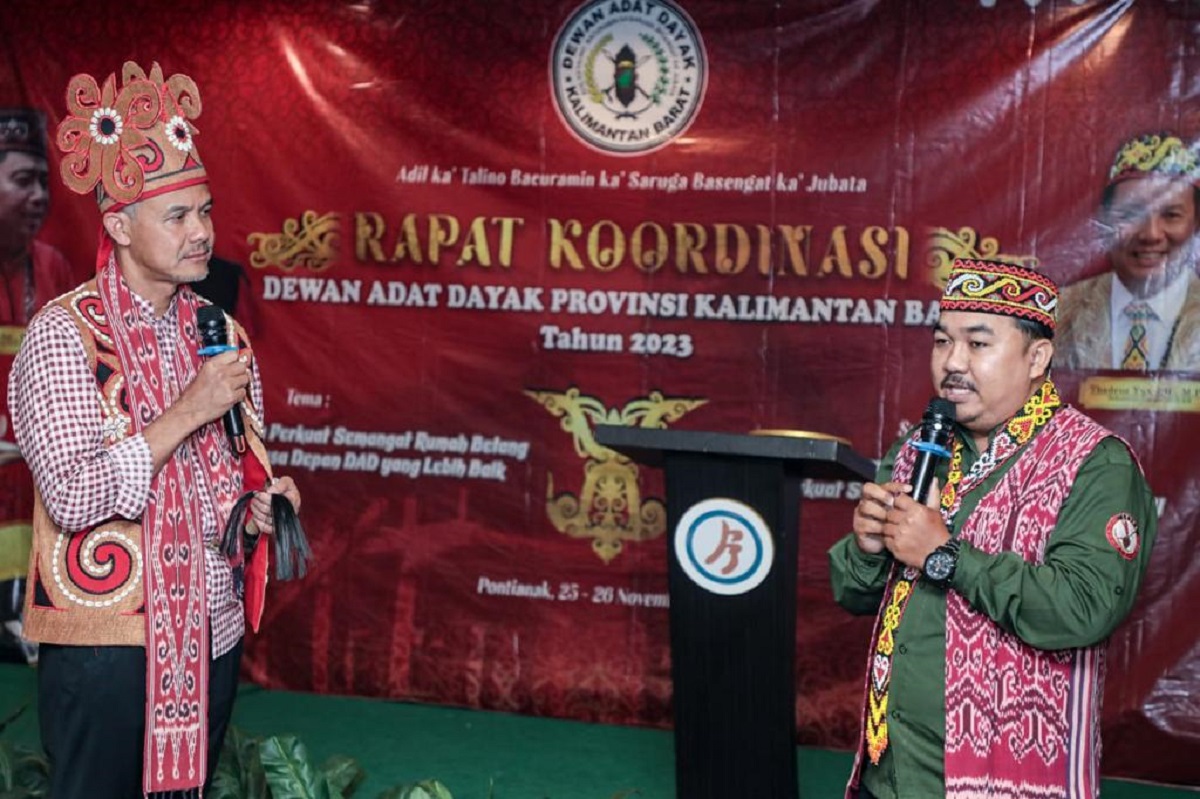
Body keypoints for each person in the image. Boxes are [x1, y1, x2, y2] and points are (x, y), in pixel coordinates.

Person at [7, 61, 300, 798]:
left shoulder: (220, 329)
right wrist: (188, 409)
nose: (202, 232)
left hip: (213, 629)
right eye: (178, 216)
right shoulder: (61, 335)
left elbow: (236, 466)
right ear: (118, 225)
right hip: (107, 645)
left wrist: (258, 504)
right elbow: (73, 496)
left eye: (205, 211)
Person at [829, 258, 1157, 799]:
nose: (952, 363)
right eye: (941, 342)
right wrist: (867, 548)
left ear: (1037, 357)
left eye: (978, 344)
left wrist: (945, 556)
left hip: (1009, 782)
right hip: (891, 773)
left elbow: (1084, 609)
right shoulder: (917, 450)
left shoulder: (1093, 462)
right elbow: (853, 592)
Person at [0, 107, 77, 665]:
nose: (39, 196)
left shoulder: (53, 268)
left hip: (31, 477)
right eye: (23, 181)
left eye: (44, 182)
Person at [1057, 132, 1200, 371]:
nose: (1151, 235)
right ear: (1105, 222)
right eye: (1132, 214)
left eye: (1171, 215)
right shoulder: (1056, 313)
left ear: (1195, 224)